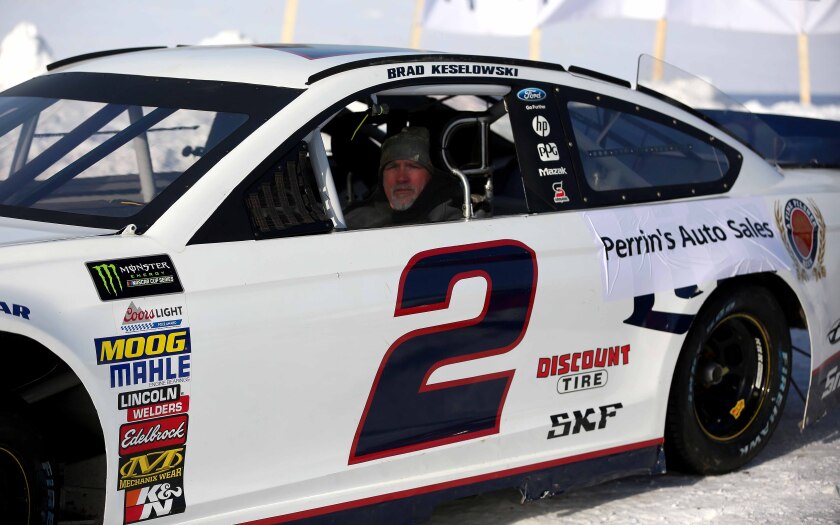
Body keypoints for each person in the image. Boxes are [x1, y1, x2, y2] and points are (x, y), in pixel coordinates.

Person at [344, 127, 463, 229]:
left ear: (431, 175)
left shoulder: (454, 224)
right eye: (393, 167)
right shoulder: (353, 223)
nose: (401, 178)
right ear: (382, 177)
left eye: (413, 166)